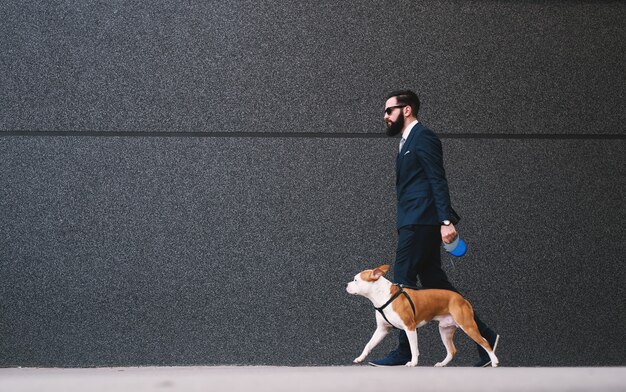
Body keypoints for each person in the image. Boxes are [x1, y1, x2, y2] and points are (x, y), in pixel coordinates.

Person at [369, 90, 500, 367]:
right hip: (414, 220)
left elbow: (436, 179)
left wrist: (445, 221)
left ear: (406, 110)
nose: (385, 116)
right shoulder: (406, 141)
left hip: (421, 221)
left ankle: (405, 351)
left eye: (389, 110)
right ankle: (485, 336)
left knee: (401, 280)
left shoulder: (423, 137)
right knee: (435, 282)